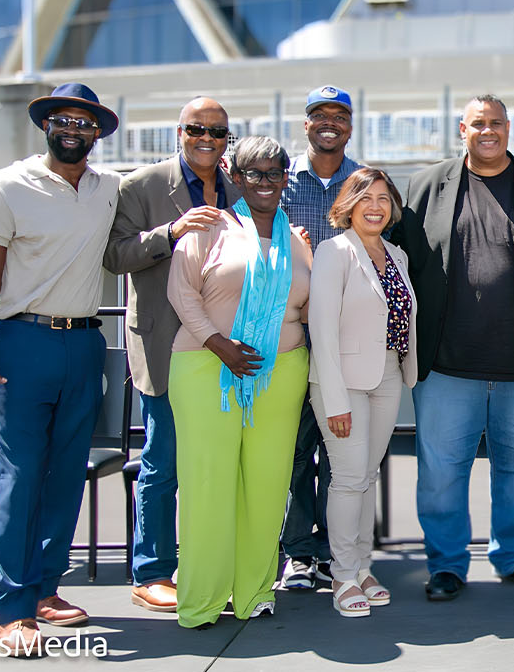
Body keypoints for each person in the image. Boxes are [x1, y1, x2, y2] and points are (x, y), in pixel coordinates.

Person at [390, 94, 514, 602]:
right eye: (478, 123)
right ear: (463, 129)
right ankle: (447, 565)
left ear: (508, 128)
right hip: (446, 362)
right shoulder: (424, 186)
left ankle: (513, 556)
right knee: (440, 472)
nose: (488, 131)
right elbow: (402, 262)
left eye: (496, 123)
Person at [0, 82, 121, 656]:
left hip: (84, 344)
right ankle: (14, 607)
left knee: (66, 473)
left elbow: (170, 190)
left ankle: (48, 589)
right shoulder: (5, 185)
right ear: (47, 125)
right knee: (22, 475)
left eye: (85, 121)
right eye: (63, 119)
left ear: (97, 133)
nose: (73, 129)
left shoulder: (108, 189)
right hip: (21, 343)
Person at [167, 135, 312, 628]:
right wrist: (219, 344)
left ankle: (254, 592)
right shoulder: (210, 229)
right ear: (235, 176)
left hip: (282, 373)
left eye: (274, 173)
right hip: (208, 368)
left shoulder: (297, 241)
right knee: (209, 484)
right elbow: (182, 293)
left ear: (285, 179)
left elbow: (308, 306)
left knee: (268, 485)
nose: (265, 182)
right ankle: (203, 601)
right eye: (254, 173)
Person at [104, 96, 238, 614]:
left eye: (218, 131)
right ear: (178, 133)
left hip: (225, 347)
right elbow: (114, 256)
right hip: (165, 344)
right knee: (164, 463)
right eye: (196, 129)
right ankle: (152, 571)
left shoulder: (237, 184)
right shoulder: (140, 185)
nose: (207, 138)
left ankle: (210, 564)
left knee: (219, 464)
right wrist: (169, 233)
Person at [307, 167, 418, 618]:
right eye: (365, 197)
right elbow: (322, 330)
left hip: (389, 375)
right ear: (348, 205)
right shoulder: (335, 253)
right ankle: (342, 575)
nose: (375, 206)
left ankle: (364, 566)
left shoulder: (397, 255)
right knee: (349, 478)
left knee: (367, 476)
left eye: (384, 199)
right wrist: (334, 399)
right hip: (344, 382)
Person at [278, 85, 363, 589]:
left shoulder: (363, 181)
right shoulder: (279, 179)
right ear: (305, 124)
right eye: (319, 115)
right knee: (292, 450)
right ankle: (298, 553)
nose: (329, 122)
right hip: (291, 338)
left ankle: (336, 550)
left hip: (347, 342)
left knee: (339, 451)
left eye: (339, 115)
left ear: (350, 126)